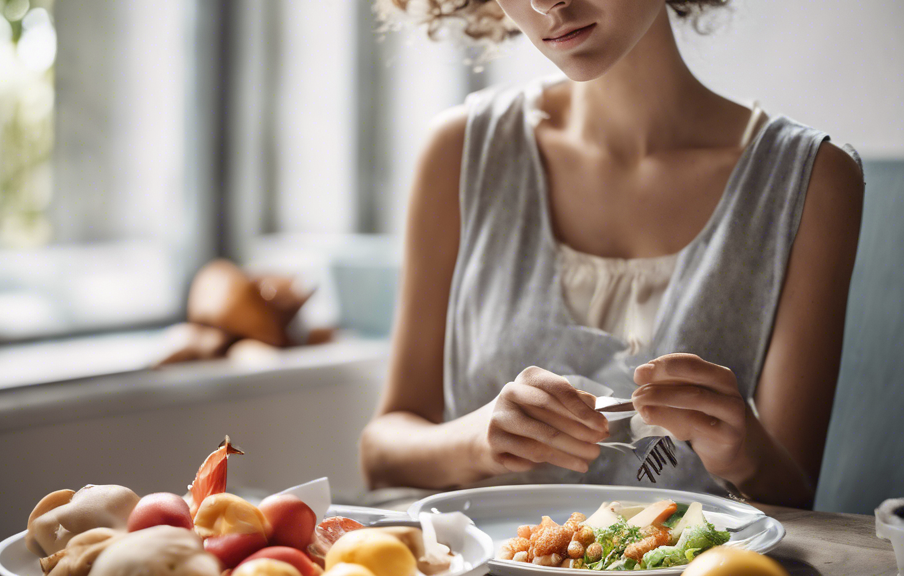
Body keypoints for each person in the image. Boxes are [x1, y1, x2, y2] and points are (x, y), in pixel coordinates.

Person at [360, 0, 864, 508]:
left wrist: (745, 454)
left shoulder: (813, 182)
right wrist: (475, 440)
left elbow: (797, 500)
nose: (545, 4)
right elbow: (381, 454)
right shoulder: (462, 151)